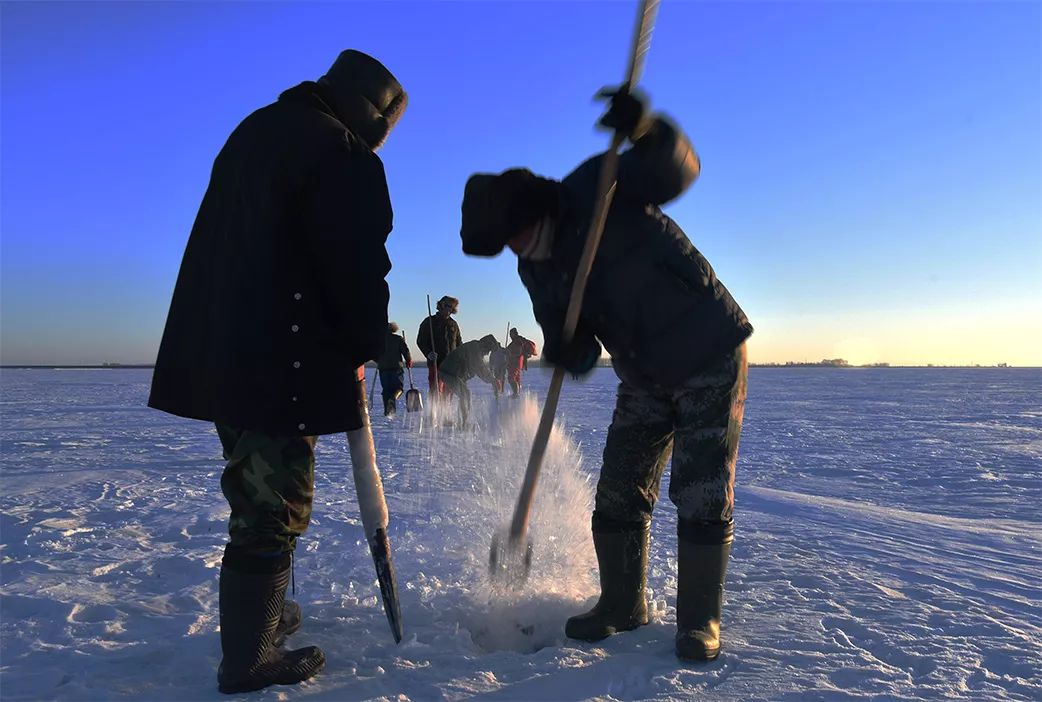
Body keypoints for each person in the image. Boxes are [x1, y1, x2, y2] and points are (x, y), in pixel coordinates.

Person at [459, 89, 752, 662]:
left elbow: (676, 169)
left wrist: (646, 130)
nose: (517, 247)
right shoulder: (534, 267)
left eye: (516, 234)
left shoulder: (598, 186)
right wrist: (566, 349)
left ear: (531, 210)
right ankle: (622, 604)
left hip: (706, 349)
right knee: (619, 488)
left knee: (700, 487)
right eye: (507, 245)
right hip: (642, 371)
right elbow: (573, 343)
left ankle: (700, 621)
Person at [147, 50, 407, 693]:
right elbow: (356, 265)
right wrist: (370, 342)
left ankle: (262, 618)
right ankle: (251, 656)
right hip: (280, 356)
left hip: (225, 350)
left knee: (253, 488)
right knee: (273, 503)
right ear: (371, 118)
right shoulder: (341, 152)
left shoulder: (257, 130)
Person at [437, 334, 500, 426]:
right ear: (485, 345)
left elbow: (476, 368)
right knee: (465, 395)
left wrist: (492, 379)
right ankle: (463, 424)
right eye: (488, 350)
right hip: (448, 373)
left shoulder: (475, 347)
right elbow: (480, 368)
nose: (487, 353)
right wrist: (493, 380)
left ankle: (455, 420)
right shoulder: (474, 349)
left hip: (452, 374)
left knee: (462, 394)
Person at [416, 295, 462, 397]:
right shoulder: (429, 322)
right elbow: (420, 341)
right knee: (435, 390)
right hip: (436, 362)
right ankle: (435, 407)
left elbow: (459, 343)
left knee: (448, 391)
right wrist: (428, 353)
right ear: (441, 306)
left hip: (451, 364)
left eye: (451, 307)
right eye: (446, 306)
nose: (448, 309)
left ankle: (447, 407)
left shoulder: (453, 324)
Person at [376, 323, 412, 416]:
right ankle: (393, 398)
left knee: (386, 390)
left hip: (383, 368)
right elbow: (405, 351)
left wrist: (379, 361)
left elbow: (373, 353)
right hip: (396, 368)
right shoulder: (398, 339)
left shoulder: (378, 340)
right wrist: (408, 360)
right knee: (399, 388)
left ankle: (388, 411)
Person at [505, 328, 538, 396]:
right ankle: (517, 394)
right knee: (516, 378)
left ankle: (516, 394)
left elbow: (519, 352)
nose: (510, 336)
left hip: (516, 362)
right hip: (517, 362)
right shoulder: (516, 341)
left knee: (511, 378)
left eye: (511, 334)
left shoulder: (518, 341)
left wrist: (510, 353)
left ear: (514, 334)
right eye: (510, 334)